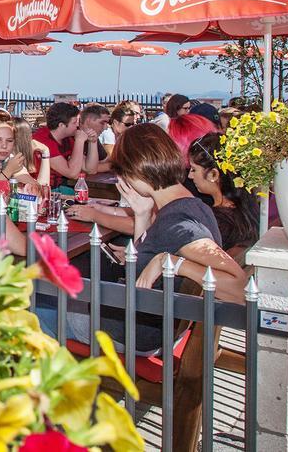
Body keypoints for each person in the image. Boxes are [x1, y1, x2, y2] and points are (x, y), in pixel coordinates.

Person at [40, 124, 246, 351]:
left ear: (135, 170)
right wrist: (142, 214)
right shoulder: (190, 204)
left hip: (131, 331)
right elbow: (143, 267)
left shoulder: (179, 222)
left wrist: (171, 262)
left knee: (36, 305)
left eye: (122, 171)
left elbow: (238, 289)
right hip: (150, 323)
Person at [187, 132, 260, 250]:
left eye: (194, 169)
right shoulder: (246, 208)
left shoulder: (216, 221)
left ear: (213, 174)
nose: (190, 176)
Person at [31, 102, 93, 193]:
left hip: (57, 187)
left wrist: (93, 142)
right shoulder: (43, 140)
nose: (78, 125)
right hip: (40, 190)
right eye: (74, 122)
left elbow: (90, 169)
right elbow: (73, 174)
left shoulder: (66, 138)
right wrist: (79, 141)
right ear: (61, 125)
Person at [0, 116, 40, 194]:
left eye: (9, 141)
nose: (4, 146)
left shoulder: (8, 158)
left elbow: (36, 188)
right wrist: (8, 171)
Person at [77, 103, 110, 173]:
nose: (106, 128)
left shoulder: (93, 136)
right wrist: (116, 166)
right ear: (88, 121)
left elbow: (105, 160)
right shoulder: (73, 136)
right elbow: (91, 169)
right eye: (102, 123)